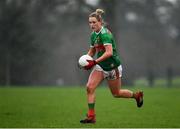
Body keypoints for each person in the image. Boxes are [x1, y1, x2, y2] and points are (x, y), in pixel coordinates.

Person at [79, 9, 143, 124]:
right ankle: (91, 116)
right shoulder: (93, 35)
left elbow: (109, 53)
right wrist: (85, 61)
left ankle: (136, 95)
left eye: (94, 22)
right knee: (89, 88)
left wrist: (94, 62)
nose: (92, 25)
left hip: (113, 67)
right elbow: (92, 51)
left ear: (100, 22)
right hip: (101, 67)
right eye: (90, 22)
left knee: (116, 93)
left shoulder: (105, 34)